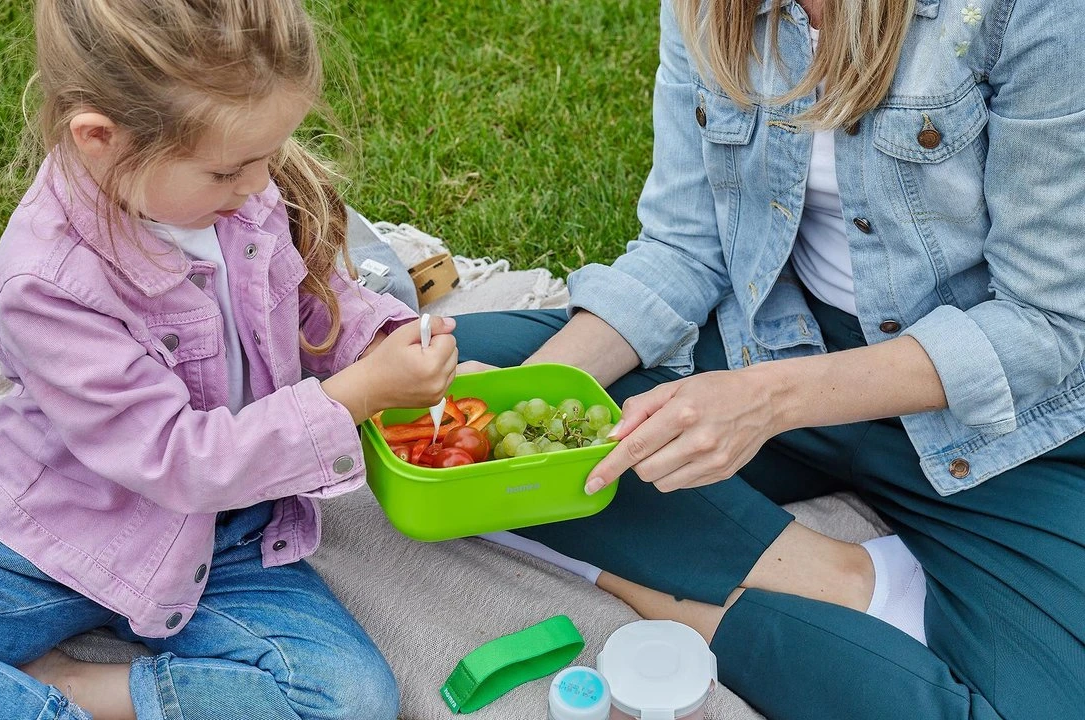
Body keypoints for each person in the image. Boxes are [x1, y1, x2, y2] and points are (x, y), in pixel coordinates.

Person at [457, 0, 1085, 717]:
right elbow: (685, 247)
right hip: (778, 340)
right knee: (443, 388)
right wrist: (524, 398)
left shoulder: (1034, 13)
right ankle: (840, 579)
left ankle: (675, 587)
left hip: (989, 420)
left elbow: (1046, 322)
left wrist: (765, 402)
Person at [0, 1, 461, 718]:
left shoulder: (239, 196)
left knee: (348, 699)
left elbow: (314, 303)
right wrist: (349, 399)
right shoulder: (49, 285)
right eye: (228, 170)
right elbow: (174, 460)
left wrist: (380, 345)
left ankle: (82, 688)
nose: (258, 186)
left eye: (268, 157)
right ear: (101, 139)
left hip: (231, 534)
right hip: (76, 531)